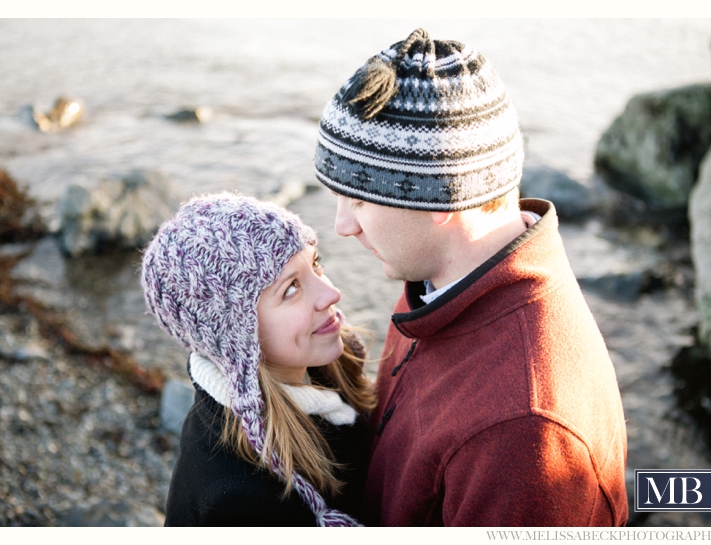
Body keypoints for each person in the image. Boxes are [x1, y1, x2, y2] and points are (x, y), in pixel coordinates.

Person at [313, 28, 629, 526]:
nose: (342, 225)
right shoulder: (438, 287)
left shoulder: (523, 433)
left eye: (358, 198)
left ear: (441, 193)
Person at [140, 193, 375, 526]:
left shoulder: (314, 369)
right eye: (291, 288)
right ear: (239, 335)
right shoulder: (240, 502)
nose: (331, 293)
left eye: (316, 264)